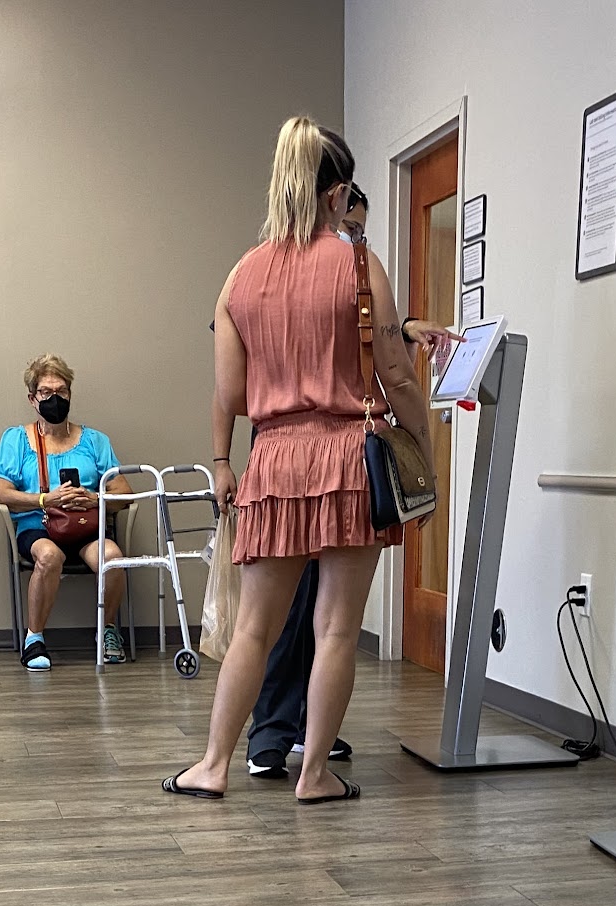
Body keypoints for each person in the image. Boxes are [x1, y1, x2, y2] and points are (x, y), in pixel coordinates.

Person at [165, 118, 434, 804]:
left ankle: (213, 765)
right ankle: (314, 775)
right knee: (336, 628)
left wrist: (227, 452)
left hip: (275, 461)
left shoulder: (240, 275)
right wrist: (423, 450)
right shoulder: (357, 264)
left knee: (254, 627)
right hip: (349, 455)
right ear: (338, 193)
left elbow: (230, 393)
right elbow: (398, 375)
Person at [245, 184, 462, 779]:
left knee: (321, 606)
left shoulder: (337, 272)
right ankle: (273, 734)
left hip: (321, 454)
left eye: (360, 232)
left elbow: (350, 331)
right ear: (330, 205)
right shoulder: (280, 272)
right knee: (294, 609)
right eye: (349, 226)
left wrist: (405, 326)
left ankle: (307, 729)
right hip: (302, 453)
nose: (353, 239)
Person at [0, 355, 133, 671]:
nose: (54, 398)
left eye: (61, 391)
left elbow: (125, 493)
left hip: (86, 526)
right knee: (48, 557)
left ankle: (108, 630)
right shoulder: (16, 439)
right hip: (38, 526)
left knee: (112, 557)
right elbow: (3, 494)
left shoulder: (95, 441)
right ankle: (34, 639)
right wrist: (47, 499)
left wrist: (93, 498)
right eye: (46, 392)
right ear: (32, 398)